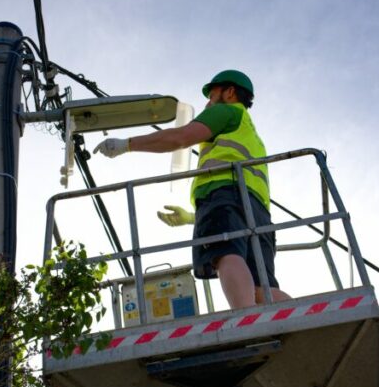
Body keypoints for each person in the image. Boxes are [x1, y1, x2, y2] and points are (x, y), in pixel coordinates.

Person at [93, 70, 290, 310]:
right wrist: (191, 218)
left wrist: (126, 145)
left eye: (213, 94)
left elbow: (180, 138)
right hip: (258, 213)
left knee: (225, 251)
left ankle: (246, 320)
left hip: (224, 194)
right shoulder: (251, 134)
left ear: (229, 92)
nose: (208, 102)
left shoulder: (226, 111)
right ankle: (299, 318)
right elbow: (239, 209)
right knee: (261, 288)